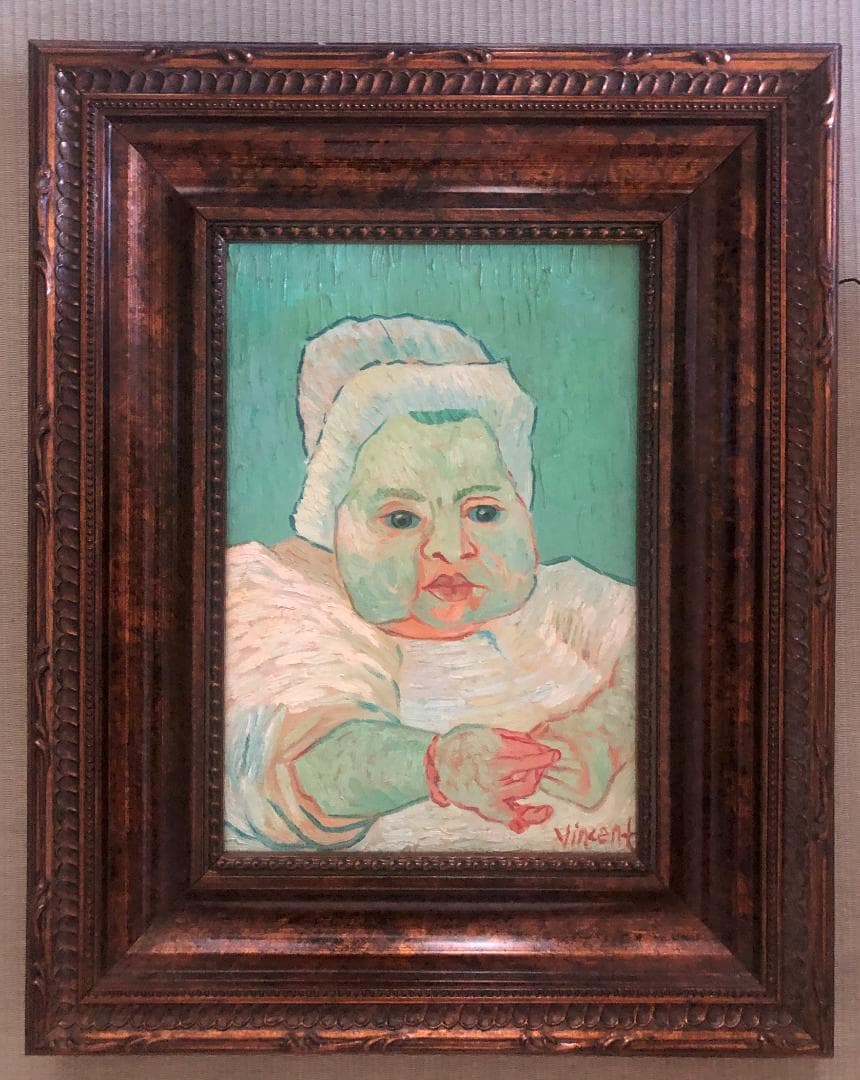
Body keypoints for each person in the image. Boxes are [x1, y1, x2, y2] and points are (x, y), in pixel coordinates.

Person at [225, 315, 635, 852]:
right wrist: (437, 766)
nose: (451, 547)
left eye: (483, 512)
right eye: (402, 519)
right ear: (334, 530)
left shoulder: (565, 602)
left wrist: (608, 726)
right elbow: (282, 761)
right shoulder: (297, 604)